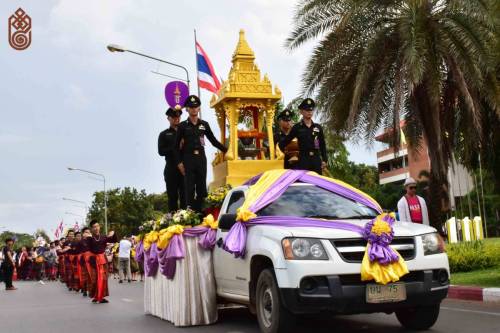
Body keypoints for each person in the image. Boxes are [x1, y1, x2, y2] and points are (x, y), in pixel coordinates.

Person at [175, 95, 227, 212]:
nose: (194, 109)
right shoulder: (182, 126)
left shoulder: (204, 124)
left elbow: (213, 141)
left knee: (202, 188)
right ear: (187, 109)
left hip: (201, 159)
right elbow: (175, 147)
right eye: (191, 107)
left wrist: (227, 150)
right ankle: (190, 215)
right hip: (188, 159)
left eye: (196, 107)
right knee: (189, 188)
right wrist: (179, 163)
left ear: (199, 108)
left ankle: (201, 214)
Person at [279, 98, 327, 174]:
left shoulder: (317, 127)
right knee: (304, 184)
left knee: (317, 183)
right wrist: (286, 154)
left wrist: (324, 160)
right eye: (307, 110)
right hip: (303, 160)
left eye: (311, 110)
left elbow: (322, 144)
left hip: (316, 160)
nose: (309, 112)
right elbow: (283, 142)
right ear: (301, 111)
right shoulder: (297, 127)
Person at [158, 106, 186, 212]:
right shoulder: (164, 134)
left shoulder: (185, 133)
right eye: (174, 117)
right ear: (168, 118)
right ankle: (174, 223)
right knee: (172, 197)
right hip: (171, 169)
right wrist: (175, 146)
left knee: (185, 197)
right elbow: (161, 151)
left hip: (184, 169)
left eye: (178, 117)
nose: (176, 119)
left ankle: (186, 221)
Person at [84, 220, 117, 303]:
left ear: (99, 227)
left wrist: (113, 233)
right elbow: (86, 248)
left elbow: (113, 240)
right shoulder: (89, 238)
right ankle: (95, 296)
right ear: (92, 228)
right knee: (94, 279)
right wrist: (86, 237)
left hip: (102, 260)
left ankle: (101, 297)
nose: (96, 228)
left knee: (103, 279)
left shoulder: (103, 237)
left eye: (97, 226)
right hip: (93, 261)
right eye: (94, 227)